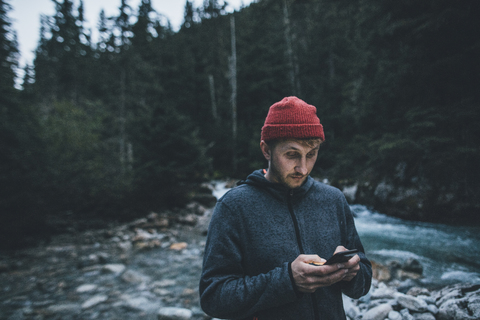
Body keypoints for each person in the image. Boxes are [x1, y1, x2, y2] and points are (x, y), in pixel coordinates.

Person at [199, 96, 372, 320]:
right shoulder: (234, 207)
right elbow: (213, 297)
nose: (303, 167)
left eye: (311, 154)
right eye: (292, 155)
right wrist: (287, 280)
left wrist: (352, 273)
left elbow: (363, 282)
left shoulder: (333, 200)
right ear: (266, 150)